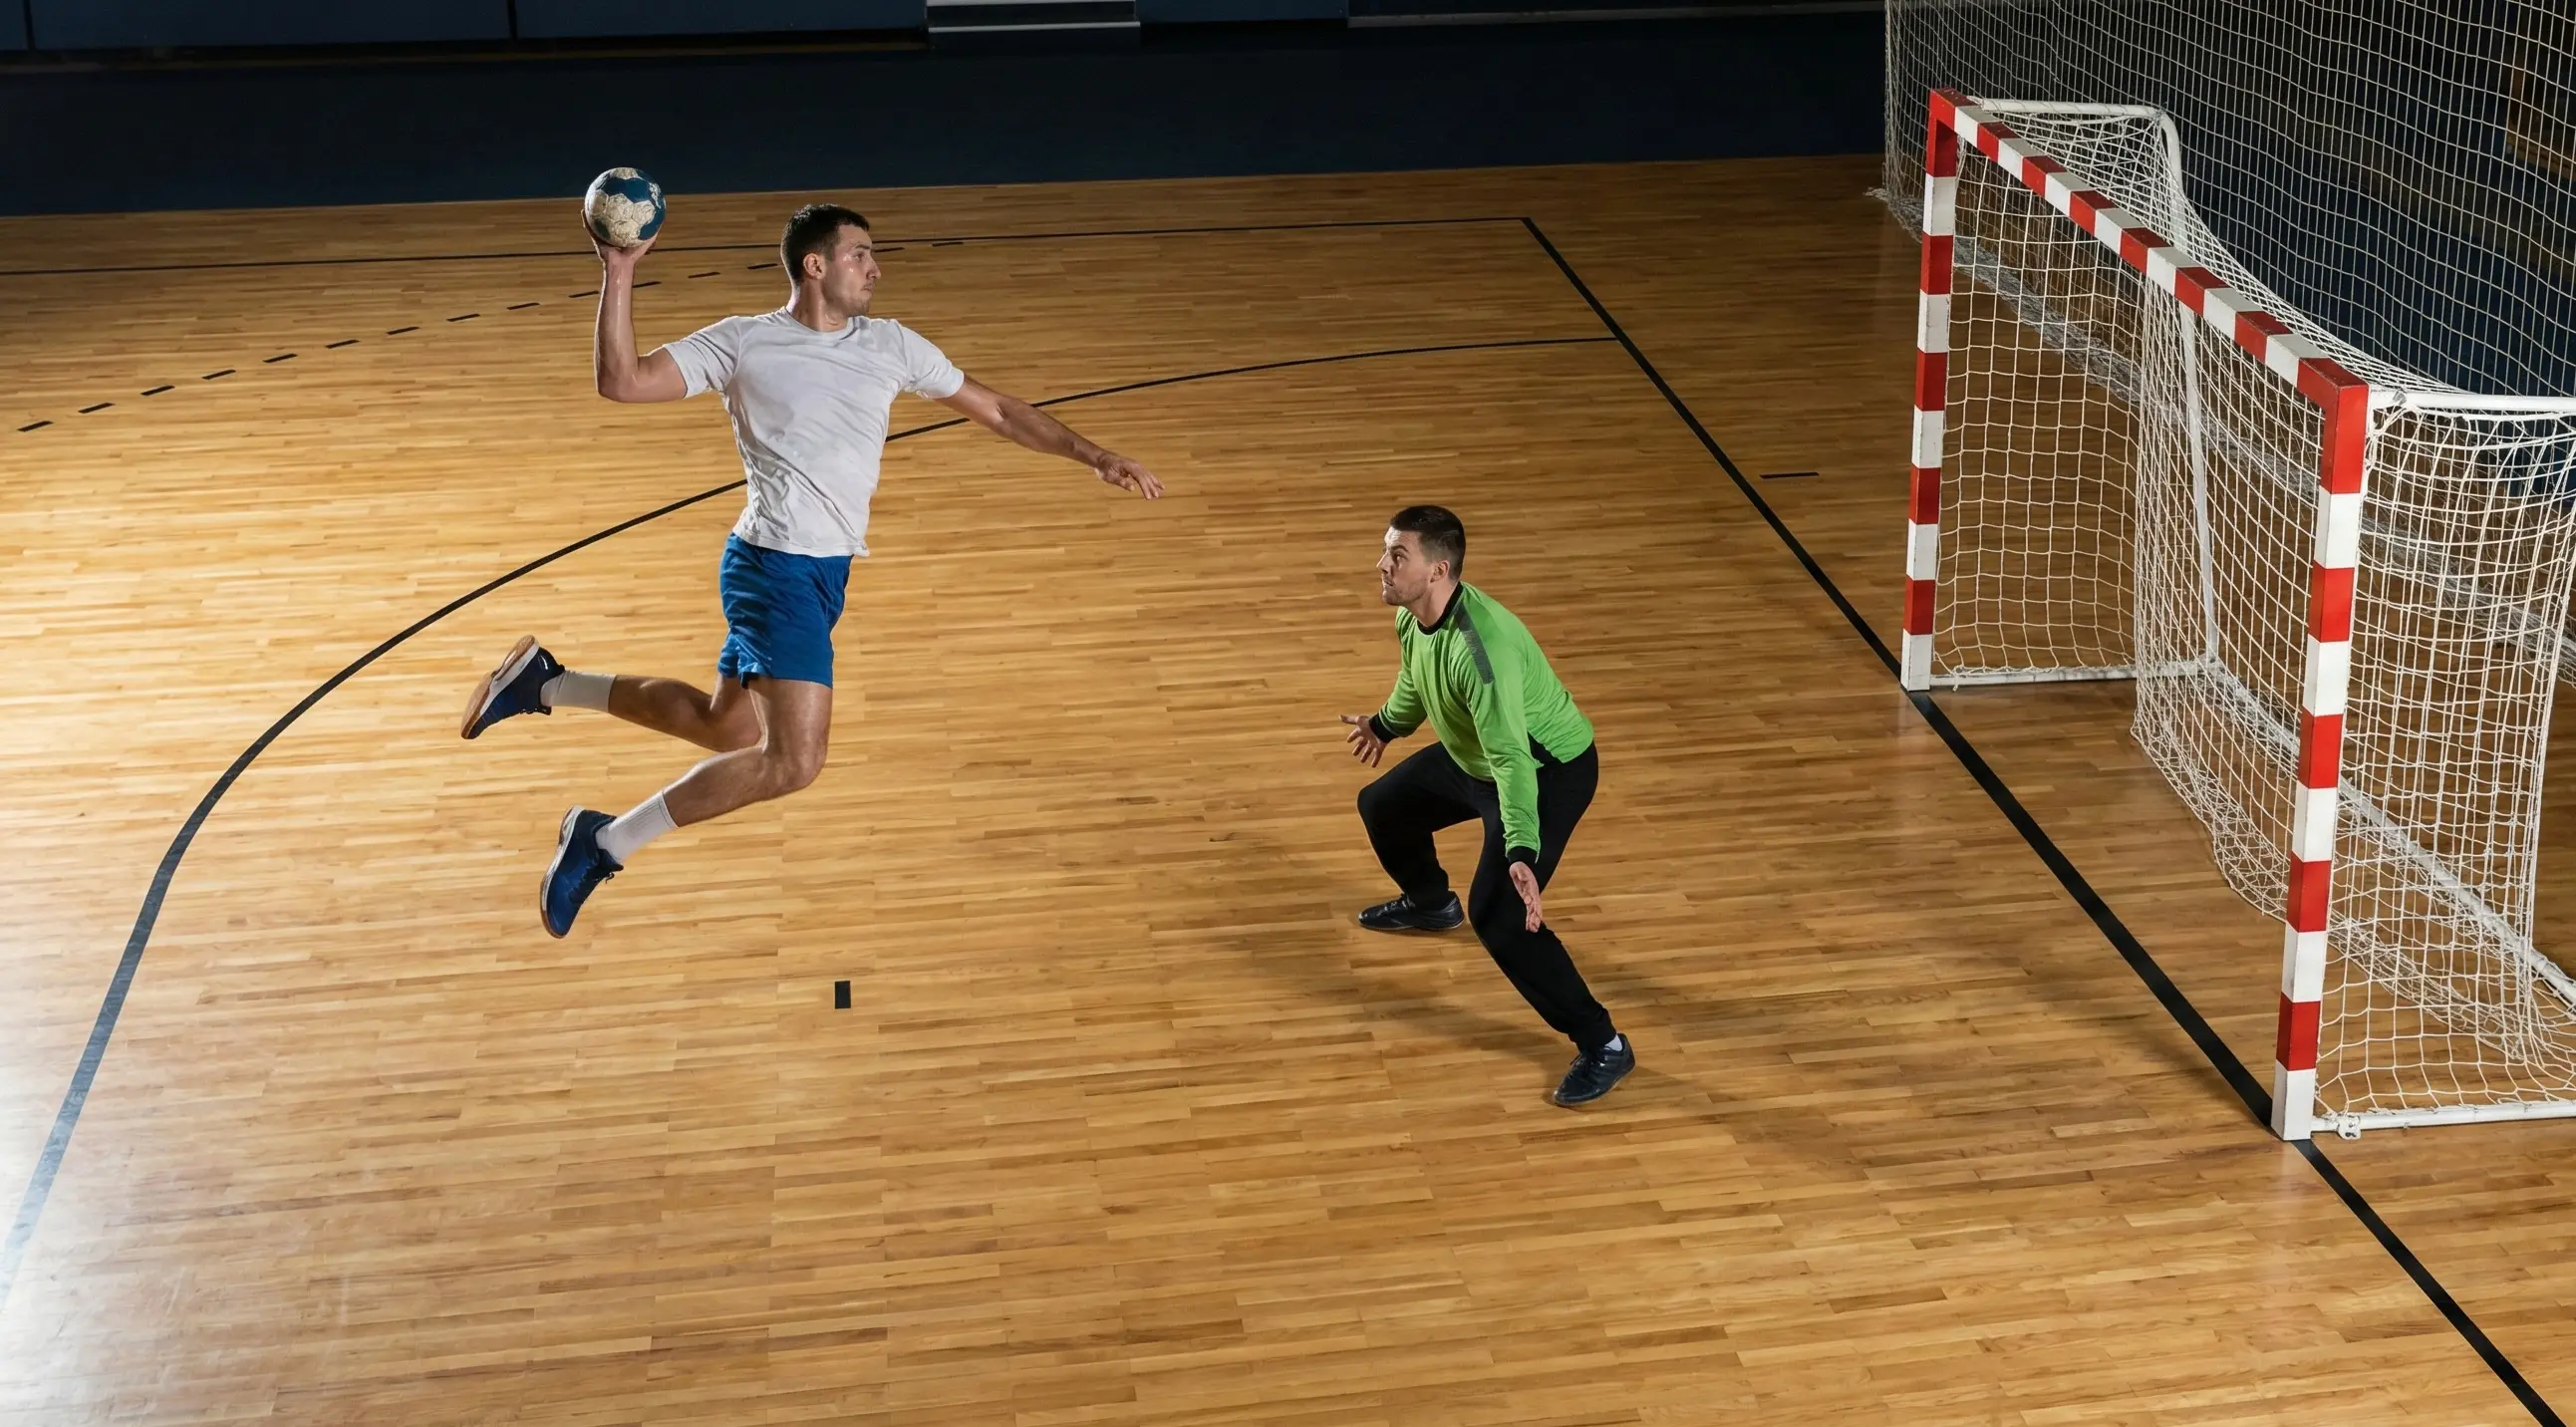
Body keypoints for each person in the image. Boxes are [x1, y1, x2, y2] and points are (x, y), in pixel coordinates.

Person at [462, 202, 1163, 937]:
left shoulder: (890, 344)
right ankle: (602, 842)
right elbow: (624, 381)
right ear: (815, 265)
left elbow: (996, 410)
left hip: (823, 572)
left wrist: (1096, 455)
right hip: (775, 568)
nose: (876, 268)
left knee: (724, 727)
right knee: (793, 762)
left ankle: (546, 681)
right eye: (861, 255)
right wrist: (619, 270)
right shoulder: (744, 343)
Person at [1339, 505, 1631, 1106]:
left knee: (1500, 915)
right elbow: (1417, 678)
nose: (1383, 565)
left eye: (1398, 556)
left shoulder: (1482, 650)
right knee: (1384, 805)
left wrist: (1521, 851)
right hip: (1475, 758)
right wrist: (1385, 726)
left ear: (1438, 570)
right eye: (1386, 550)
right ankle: (1430, 904)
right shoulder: (1413, 614)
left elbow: (1512, 761)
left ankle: (1603, 1043)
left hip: (1544, 774)